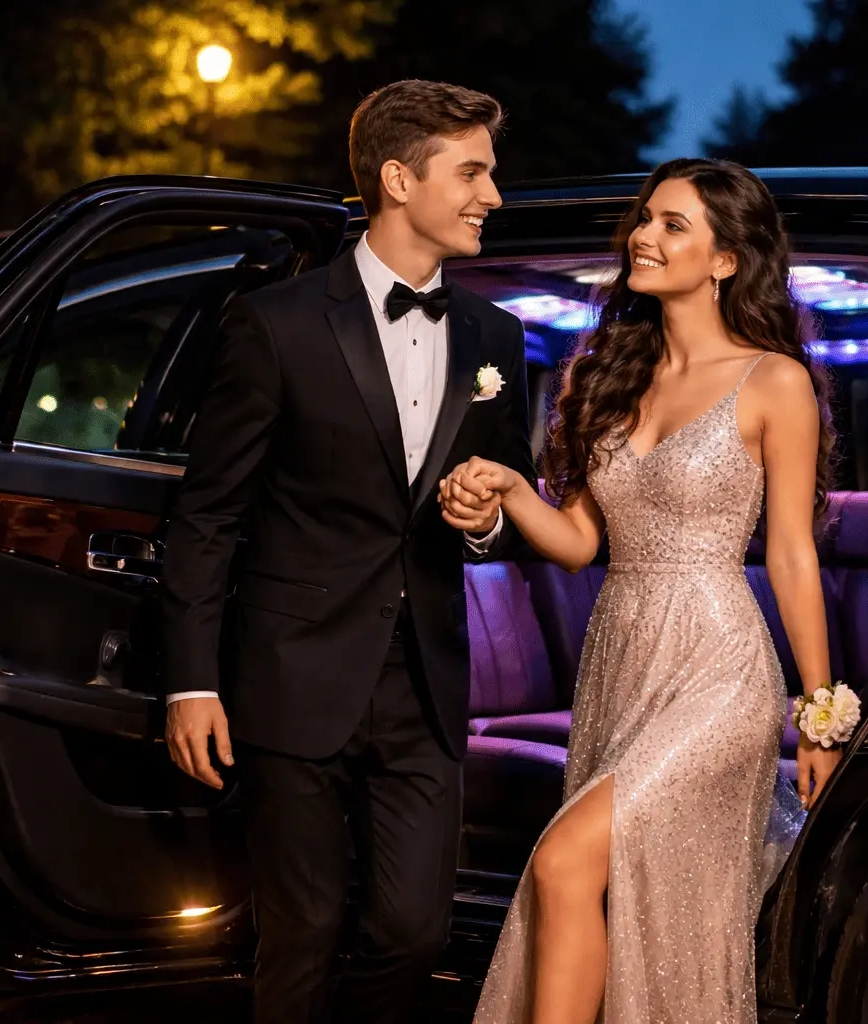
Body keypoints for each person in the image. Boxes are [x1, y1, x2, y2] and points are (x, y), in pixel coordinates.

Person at [160, 79, 535, 1024]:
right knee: (304, 925)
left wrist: (481, 518)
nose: (493, 195)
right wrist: (190, 682)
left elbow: (506, 492)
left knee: (413, 931)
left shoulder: (496, 337)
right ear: (401, 178)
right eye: (474, 172)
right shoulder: (277, 323)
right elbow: (208, 515)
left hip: (426, 681)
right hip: (293, 674)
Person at [447, 159, 847, 1024]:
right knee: (592, 887)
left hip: (718, 669)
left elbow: (790, 556)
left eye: (673, 226)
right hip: (621, 662)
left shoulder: (775, 381)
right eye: (645, 218)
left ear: (726, 260)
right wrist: (515, 491)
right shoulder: (611, 375)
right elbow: (581, 544)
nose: (644, 236)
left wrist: (818, 714)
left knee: (561, 864)